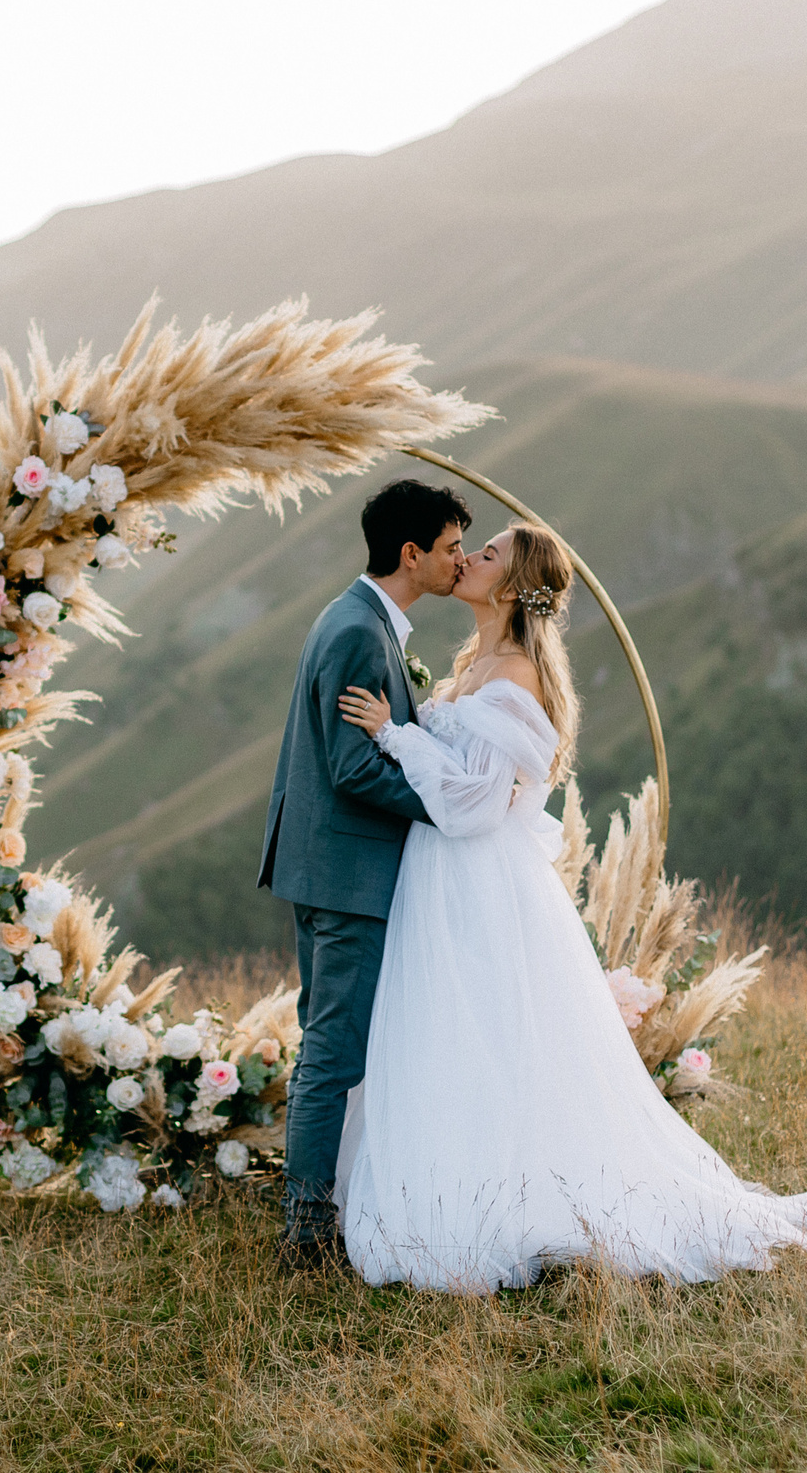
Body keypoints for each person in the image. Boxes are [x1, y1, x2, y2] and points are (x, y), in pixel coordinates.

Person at [329, 521, 807, 1290]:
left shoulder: (516, 674)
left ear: (514, 587)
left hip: (478, 878)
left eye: (487, 555)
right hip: (442, 877)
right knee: (455, 1028)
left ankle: (502, 1202)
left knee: (487, 1026)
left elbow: (475, 805)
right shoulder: (476, 661)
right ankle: (462, 1169)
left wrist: (394, 736)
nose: (470, 558)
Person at [258, 476, 472, 1271]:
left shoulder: (356, 618)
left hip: (325, 868)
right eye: (451, 547)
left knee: (327, 1048)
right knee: (334, 1055)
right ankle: (306, 1236)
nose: (459, 560)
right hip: (347, 877)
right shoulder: (357, 631)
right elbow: (351, 767)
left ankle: (324, 1210)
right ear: (411, 552)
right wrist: (445, 803)